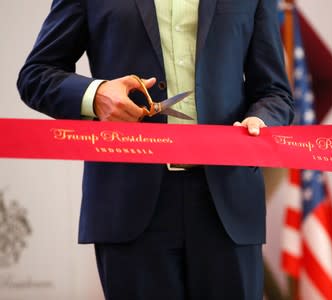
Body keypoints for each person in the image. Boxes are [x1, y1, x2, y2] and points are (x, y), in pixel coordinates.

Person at [17, 0, 294, 299]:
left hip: (229, 199)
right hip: (128, 203)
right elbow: (36, 74)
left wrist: (262, 121)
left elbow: (274, 92)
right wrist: (96, 95)